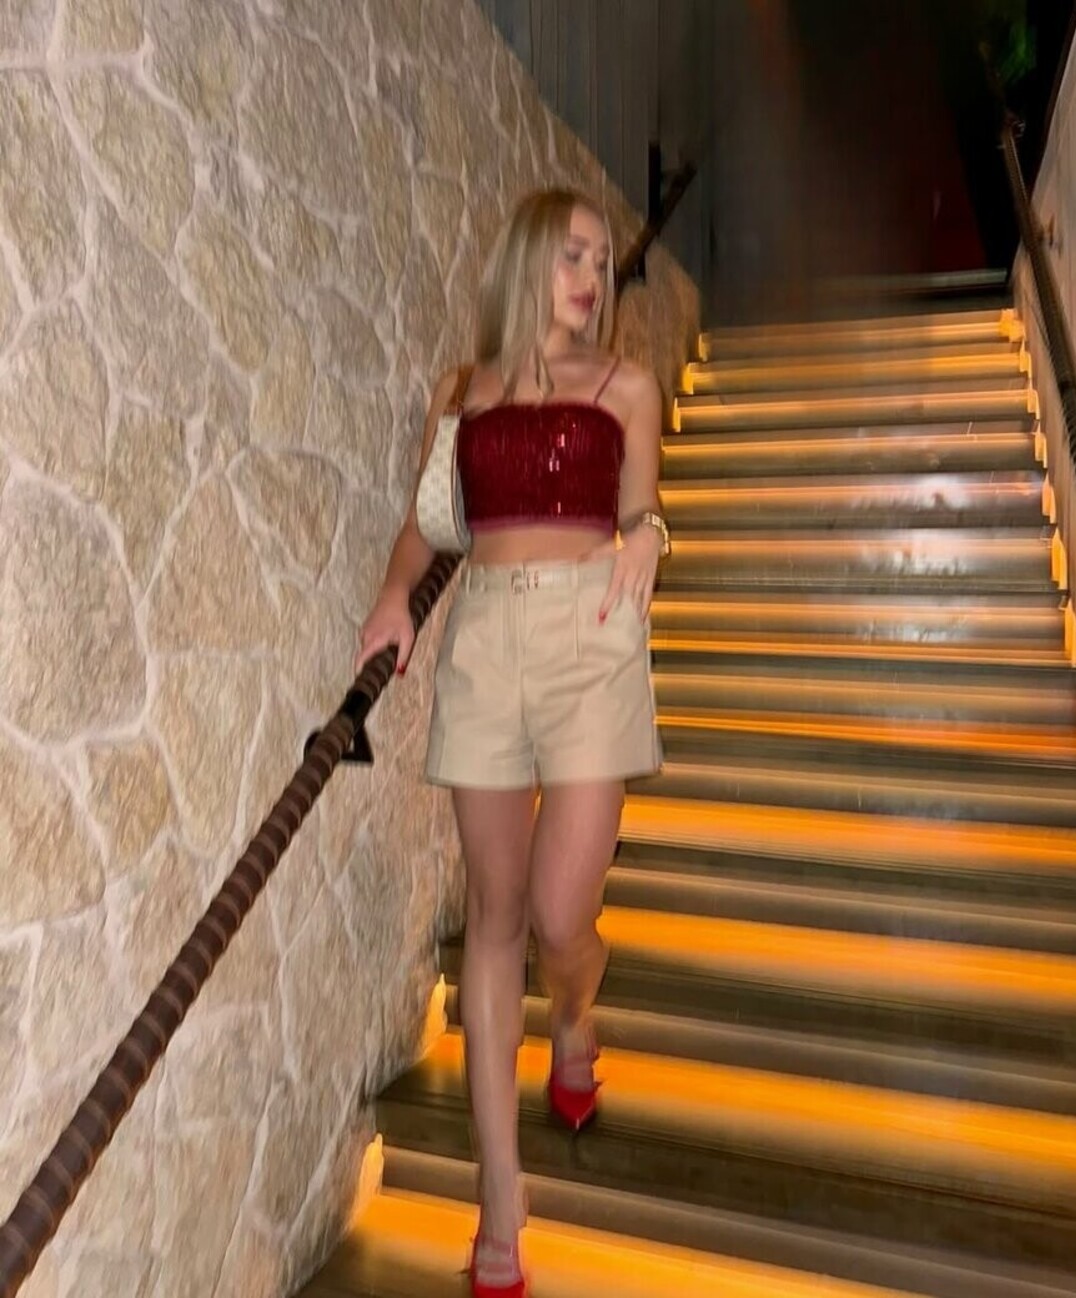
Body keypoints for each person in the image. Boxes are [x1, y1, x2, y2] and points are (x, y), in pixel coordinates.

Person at [353, 188, 669, 1298]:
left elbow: (641, 510)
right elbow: (428, 526)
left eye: (601, 260)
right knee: (493, 919)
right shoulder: (464, 392)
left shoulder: (627, 386)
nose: (592, 276)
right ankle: (500, 1194)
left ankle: (576, 1007)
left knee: (558, 914)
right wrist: (394, 599)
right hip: (484, 641)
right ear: (528, 258)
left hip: (591, 637)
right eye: (572, 254)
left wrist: (652, 536)